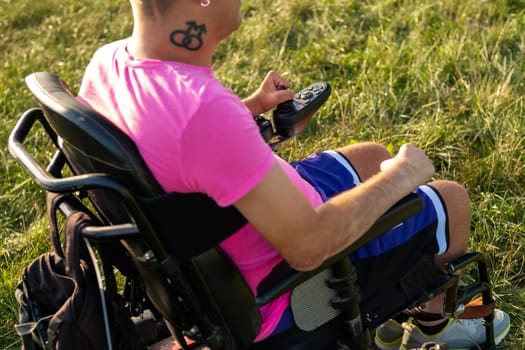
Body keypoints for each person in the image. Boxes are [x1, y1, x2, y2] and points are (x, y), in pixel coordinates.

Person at [77, 0, 510, 349]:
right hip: (286, 287)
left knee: (370, 156)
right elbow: (308, 248)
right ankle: (430, 325)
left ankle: (405, 302)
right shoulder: (205, 113)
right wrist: (401, 177)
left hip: (220, 237)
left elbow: (169, 140)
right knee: (449, 198)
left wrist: (247, 111)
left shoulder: (109, 62)